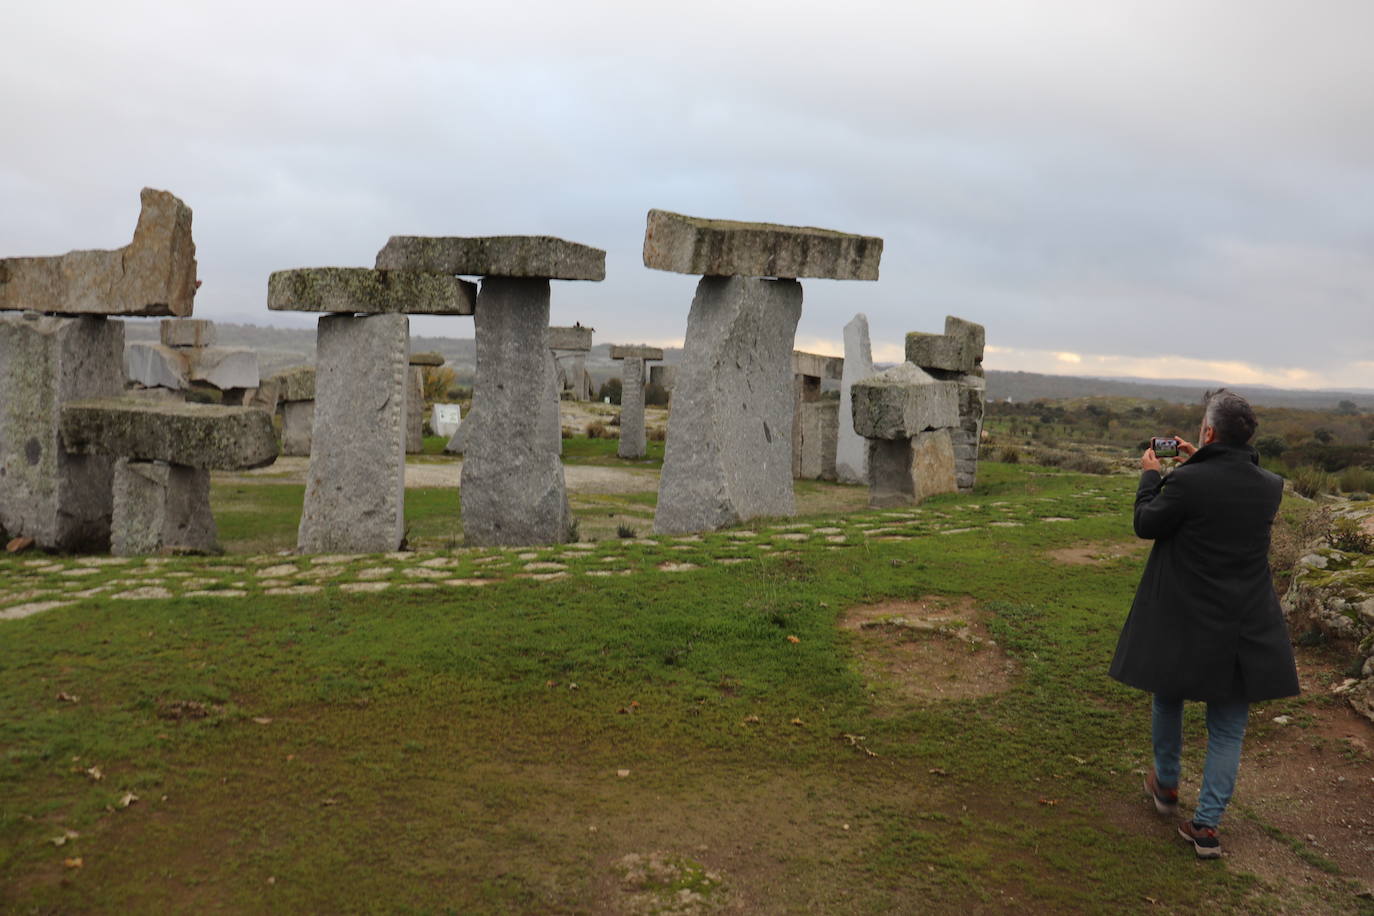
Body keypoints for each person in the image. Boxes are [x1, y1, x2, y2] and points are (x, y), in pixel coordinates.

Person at [1108, 389, 1299, 859]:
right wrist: (1199, 463)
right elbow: (1228, 495)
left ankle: (1166, 786)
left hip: (1184, 616)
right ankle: (1207, 828)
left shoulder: (1189, 483)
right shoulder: (1269, 485)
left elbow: (1147, 523)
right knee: (1229, 727)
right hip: (1244, 621)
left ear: (1209, 433)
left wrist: (1152, 477)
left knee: (1168, 698)